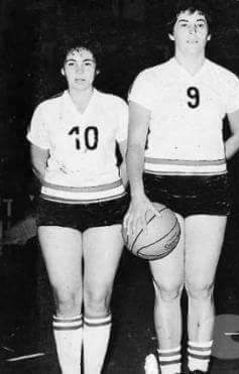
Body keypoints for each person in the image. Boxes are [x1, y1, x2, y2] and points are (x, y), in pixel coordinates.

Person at [122, 1, 239, 373]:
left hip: (209, 186)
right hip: (160, 188)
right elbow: (133, 144)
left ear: (209, 33)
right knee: (167, 287)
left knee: (201, 287)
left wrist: (211, 160)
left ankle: (197, 369)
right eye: (183, 23)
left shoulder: (226, 79)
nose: (192, 30)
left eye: (199, 23)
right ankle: (171, 368)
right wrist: (138, 196)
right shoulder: (149, 79)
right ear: (171, 32)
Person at [27, 38, 128, 374]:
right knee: (66, 299)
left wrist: (116, 190)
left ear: (97, 69)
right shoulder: (46, 110)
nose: (80, 70)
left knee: (98, 297)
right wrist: (66, 187)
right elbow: (38, 162)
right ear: (62, 70)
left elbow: (131, 156)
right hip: (59, 209)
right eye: (72, 63)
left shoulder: (115, 106)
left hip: (106, 207)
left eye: (87, 63)